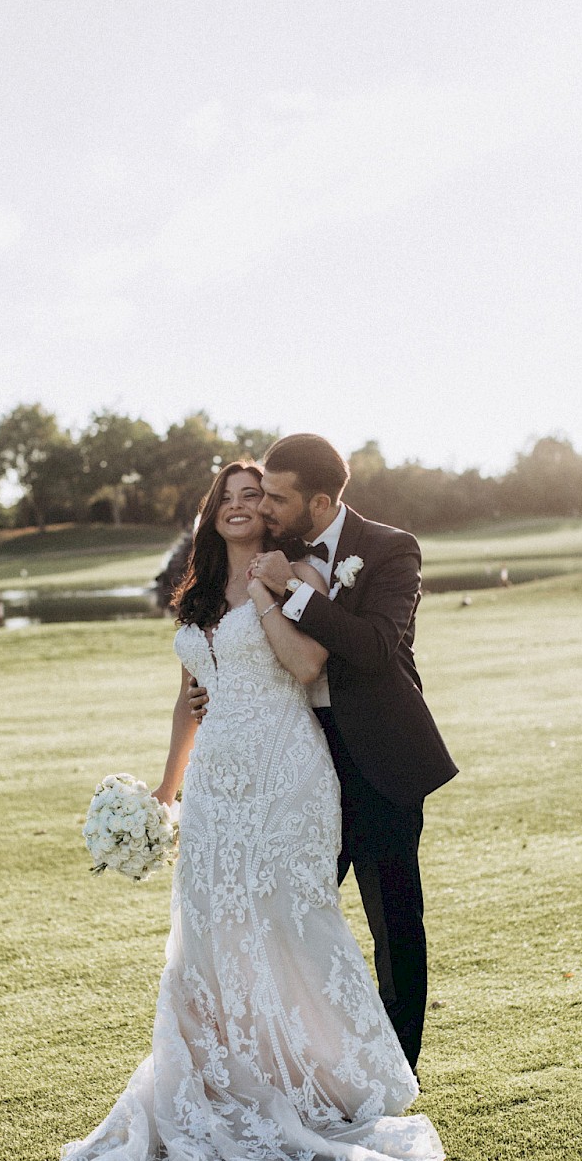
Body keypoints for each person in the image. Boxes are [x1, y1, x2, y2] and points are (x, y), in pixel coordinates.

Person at [52, 461, 443, 1161]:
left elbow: (305, 666)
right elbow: (187, 695)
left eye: (252, 497)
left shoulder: (288, 573)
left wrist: (269, 593)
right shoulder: (195, 592)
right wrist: (166, 793)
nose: (240, 506)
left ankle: (330, 1082)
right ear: (212, 514)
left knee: (291, 922)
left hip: (285, 772)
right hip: (217, 786)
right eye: (227, 498)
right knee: (210, 930)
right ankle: (225, 1078)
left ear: (272, 514)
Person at [190, 434, 458, 1073]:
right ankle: (289, 1065)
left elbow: (373, 647)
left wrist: (299, 593)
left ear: (318, 501)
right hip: (297, 762)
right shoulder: (276, 549)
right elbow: (248, 634)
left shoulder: (392, 550)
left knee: (394, 922)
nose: (266, 507)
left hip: (379, 760)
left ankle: (398, 1074)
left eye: (277, 497)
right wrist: (216, 691)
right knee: (286, 917)